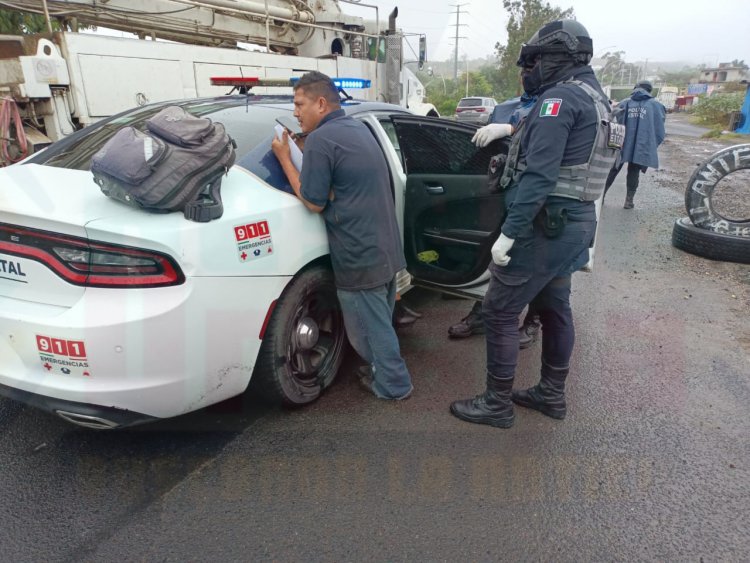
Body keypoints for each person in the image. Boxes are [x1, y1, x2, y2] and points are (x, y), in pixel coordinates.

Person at [450, 20, 619, 428]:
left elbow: (539, 177)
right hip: (574, 221)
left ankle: (496, 403)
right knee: (555, 306)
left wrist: (509, 233)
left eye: (537, 59)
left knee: (500, 310)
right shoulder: (597, 101)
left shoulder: (557, 101)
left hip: (545, 225)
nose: (532, 68)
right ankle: (550, 394)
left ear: (558, 57)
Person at [271, 71, 413, 400]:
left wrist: (284, 157)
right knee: (379, 322)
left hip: (359, 254)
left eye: (299, 103)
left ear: (320, 104)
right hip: (386, 248)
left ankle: (394, 385)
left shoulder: (322, 140)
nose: (295, 112)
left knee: (370, 330)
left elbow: (313, 200)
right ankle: (382, 370)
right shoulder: (357, 127)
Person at [447, 90, 541, 346]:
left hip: (541, 198)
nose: (528, 73)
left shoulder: (558, 103)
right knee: (495, 259)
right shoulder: (504, 107)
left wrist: (511, 129)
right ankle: (481, 315)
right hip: (503, 190)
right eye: (525, 68)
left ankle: (534, 319)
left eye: (534, 66)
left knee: (540, 267)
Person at [603, 80, 666, 209]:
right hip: (641, 145)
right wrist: (650, 144)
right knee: (634, 171)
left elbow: (611, 119)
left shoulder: (625, 103)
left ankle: (601, 197)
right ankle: (629, 201)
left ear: (635, 88)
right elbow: (659, 128)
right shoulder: (656, 105)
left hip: (621, 142)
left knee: (613, 169)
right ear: (650, 90)